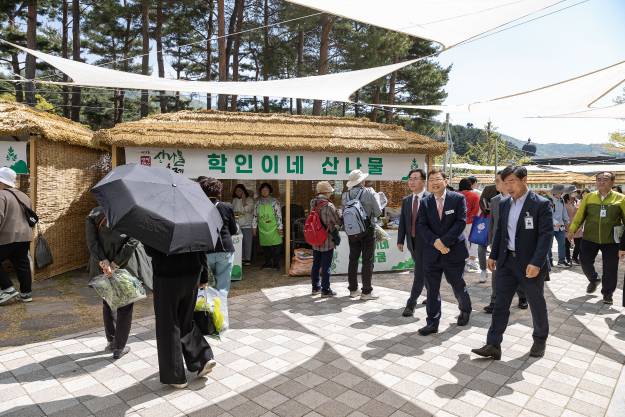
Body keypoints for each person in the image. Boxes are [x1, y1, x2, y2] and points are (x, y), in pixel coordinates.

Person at [472, 165, 552, 360]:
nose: (508, 186)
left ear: (524, 180)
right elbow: (500, 231)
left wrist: (536, 262)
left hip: (530, 265)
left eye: (512, 182)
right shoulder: (505, 204)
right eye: (505, 182)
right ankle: (493, 344)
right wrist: (494, 255)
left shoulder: (541, 204)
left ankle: (540, 340)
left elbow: (545, 236)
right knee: (500, 303)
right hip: (507, 262)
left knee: (536, 303)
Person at [85, 206, 152, 359]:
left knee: (107, 301)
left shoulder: (93, 214)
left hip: (101, 267)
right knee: (126, 305)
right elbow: (133, 241)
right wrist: (115, 263)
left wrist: (103, 261)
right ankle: (119, 347)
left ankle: (111, 341)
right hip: (126, 265)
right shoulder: (131, 214)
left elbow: (91, 242)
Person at [145, 245, 216, 388]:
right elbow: (200, 246)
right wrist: (204, 276)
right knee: (186, 319)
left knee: (168, 324)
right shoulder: (193, 221)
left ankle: (175, 376)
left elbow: (151, 250)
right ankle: (203, 357)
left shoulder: (156, 222)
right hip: (192, 273)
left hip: (167, 277)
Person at [417, 169, 472, 336]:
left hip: (453, 251)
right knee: (432, 289)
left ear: (445, 181)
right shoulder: (425, 202)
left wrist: (444, 242)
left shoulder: (457, 199)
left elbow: (460, 222)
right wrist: (435, 242)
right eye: (431, 179)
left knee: (456, 284)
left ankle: (465, 309)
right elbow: (422, 225)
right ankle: (432, 322)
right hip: (432, 253)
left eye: (437, 179)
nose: (434, 182)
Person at [567, 172, 625, 305]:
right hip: (589, 238)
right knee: (584, 261)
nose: (601, 182)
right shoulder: (589, 197)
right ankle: (594, 279)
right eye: (598, 179)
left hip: (612, 240)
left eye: (605, 180)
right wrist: (572, 230)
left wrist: (624, 245)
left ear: (612, 182)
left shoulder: (621, 199)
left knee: (610, 268)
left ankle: (607, 293)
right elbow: (580, 216)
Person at [483, 172, 527, 314]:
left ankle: (522, 297)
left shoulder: (520, 200)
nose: (496, 184)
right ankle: (494, 301)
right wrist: (491, 242)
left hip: (516, 246)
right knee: (496, 275)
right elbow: (493, 223)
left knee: (519, 273)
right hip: (499, 246)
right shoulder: (495, 200)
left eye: (498, 181)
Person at [342, 169, 382, 301]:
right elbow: (377, 212)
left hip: (352, 232)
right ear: (362, 181)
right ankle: (366, 292)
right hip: (367, 230)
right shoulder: (369, 192)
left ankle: (353, 290)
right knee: (367, 260)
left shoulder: (345, 195)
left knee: (353, 259)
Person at [397, 168, 430, 317]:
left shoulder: (431, 199)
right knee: (424, 271)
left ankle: (411, 303)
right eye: (410, 178)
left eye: (415, 178)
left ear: (423, 181)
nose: (412, 181)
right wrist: (400, 240)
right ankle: (432, 295)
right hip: (412, 242)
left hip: (428, 243)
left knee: (419, 272)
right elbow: (403, 221)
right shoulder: (406, 200)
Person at [0, 167, 34, 305]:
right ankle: (26, 294)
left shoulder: (1, 195)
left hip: (6, 237)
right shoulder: (24, 196)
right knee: (22, 263)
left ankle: (8, 289)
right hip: (25, 236)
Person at [201, 178, 238, 292]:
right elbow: (233, 229)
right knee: (222, 287)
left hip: (205, 250)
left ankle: (208, 308)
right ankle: (221, 308)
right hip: (225, 248)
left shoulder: (199, 207)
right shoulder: (227, 206)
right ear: (219, 192)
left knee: (206, 286)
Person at [309, 181, 341, 297]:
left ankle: (315, 288)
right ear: (326, 192)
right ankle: (325, 290)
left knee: (316, 264)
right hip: (327, 239)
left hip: (315, 238)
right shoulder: (329, 205)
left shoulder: (313, 202)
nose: (331, 194)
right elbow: (337, 221)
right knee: (326, 266)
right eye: (330, 192)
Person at [253, 183, 283, 270]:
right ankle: (267, 263)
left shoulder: (275, 202)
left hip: (274, 228)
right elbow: (255, 216)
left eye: (266, 190)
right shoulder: (258, 203)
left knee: (276, 246)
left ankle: (276, 263)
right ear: (260, 191)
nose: (264, 191)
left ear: (270, 191)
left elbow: (279, 216)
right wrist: (254, 228)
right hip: (263, 228)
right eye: (263, 190)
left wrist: (280, 227)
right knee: (265, 247)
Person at [458, 178, 481, 273]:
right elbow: (476, 209)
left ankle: (465, 260)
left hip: (459, 222)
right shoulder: (474, 195)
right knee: (474, 241)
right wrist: (472, 217)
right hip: (472, 221)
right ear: (470, 185)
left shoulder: (457, 195)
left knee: (464, 241)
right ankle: (472, 260)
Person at [478, 183, 499, 284]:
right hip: (486, 220)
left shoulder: (510, 191)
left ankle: (498, 272)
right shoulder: (489, 188)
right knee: (481, 245)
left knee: (498, 247)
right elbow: (481, 202)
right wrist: (487, 210)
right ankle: (483, 270)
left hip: (500, 223)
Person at [232, 184, 254, 266]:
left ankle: (247, 259)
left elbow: (248, 209)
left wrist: (244, 200)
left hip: (247, 224)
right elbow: (233, 212)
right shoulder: (234, 200)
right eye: (236, 190)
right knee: (239, 243)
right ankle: (241, 258)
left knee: (247, 242)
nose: (238, 192)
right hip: (237, 225)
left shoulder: (249, 200)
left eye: (240, 190)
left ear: (244, 191)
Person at [551, 184, 571, 267]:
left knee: (562, 244)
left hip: (561, 227)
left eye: (562, 192)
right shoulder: (549, 201)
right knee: (549, 245)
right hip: (551, 227)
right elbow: (548, 214)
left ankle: (561, 261)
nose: (562, 194)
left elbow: (564, 212)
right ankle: (549, 261)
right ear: (555, 193)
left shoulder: (561, 200)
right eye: (560, 192)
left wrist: (567, 221)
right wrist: (555, 223)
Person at [564, 193, 582, 264]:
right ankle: (568, 258)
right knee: (567, 244)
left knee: (579, 244)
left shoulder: (577, 202)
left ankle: (574, 257)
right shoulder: (564, 203)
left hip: (577, 225)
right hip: (567, 225)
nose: (574, 194)